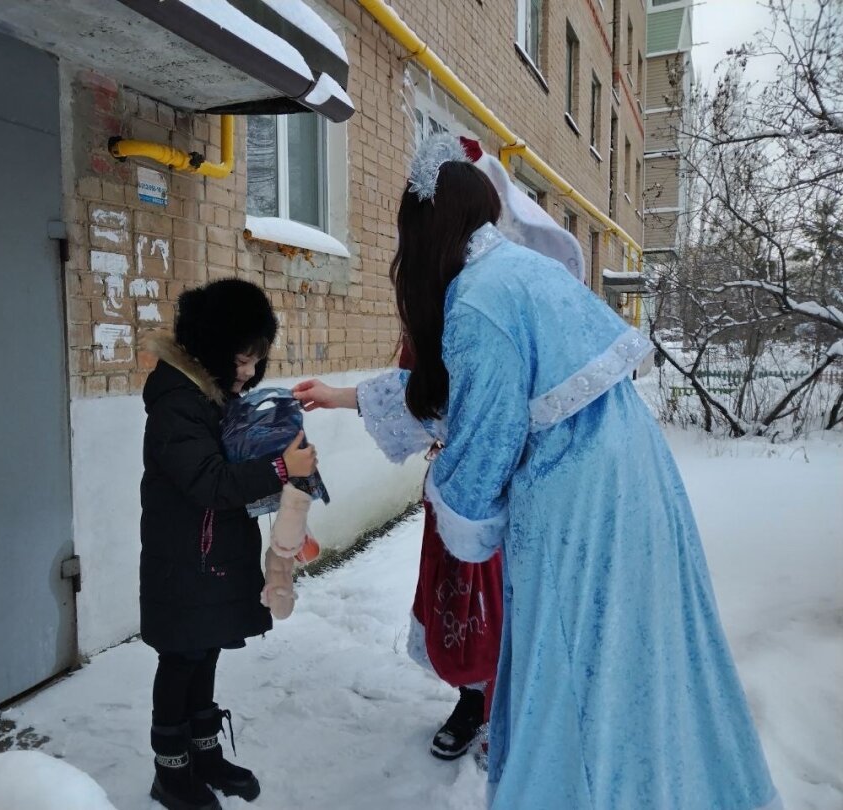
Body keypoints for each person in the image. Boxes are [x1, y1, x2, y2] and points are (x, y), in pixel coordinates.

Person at [293, 134, 781, 809]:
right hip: (631, 484)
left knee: (573, 669)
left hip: (579, 501)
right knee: (637, 658)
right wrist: (344, 396)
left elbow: (481, 444)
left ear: (428, 227)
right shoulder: (521, 272)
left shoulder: (476, 302)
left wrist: (455, 504)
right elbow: (451, 401)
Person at [141, 279, 318, 810]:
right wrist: (282, 467)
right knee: (181, 659)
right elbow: (210, 482)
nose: (247, 373)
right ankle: (170, 772)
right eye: (240, 360)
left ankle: (204, 753)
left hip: (211, 555)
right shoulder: (177, 401)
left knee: (206, 649)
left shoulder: (212, 396)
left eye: (254, 362)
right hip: (184, 560)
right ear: (211, 345)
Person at [397, 337, 503, 762]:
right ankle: (474, 701)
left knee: (516, 603)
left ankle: (516, 711)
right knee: (466, 598)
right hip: (459, 486)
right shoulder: (431, 314)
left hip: (525, 482)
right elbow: (411, 388)